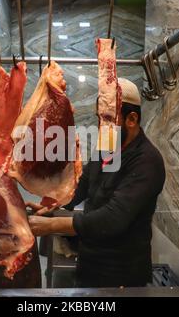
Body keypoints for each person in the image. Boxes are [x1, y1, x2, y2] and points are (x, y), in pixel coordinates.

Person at [26, 78, 166, 288]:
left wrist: (52, 225)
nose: (101, 127)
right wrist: (55, 206)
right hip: (90, 264)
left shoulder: (147, 161)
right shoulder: (109, 147)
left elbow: (113, 218)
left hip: (123, 276)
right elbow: (84, 185)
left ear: (132, 119)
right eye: (99, 119)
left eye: (107, 119)